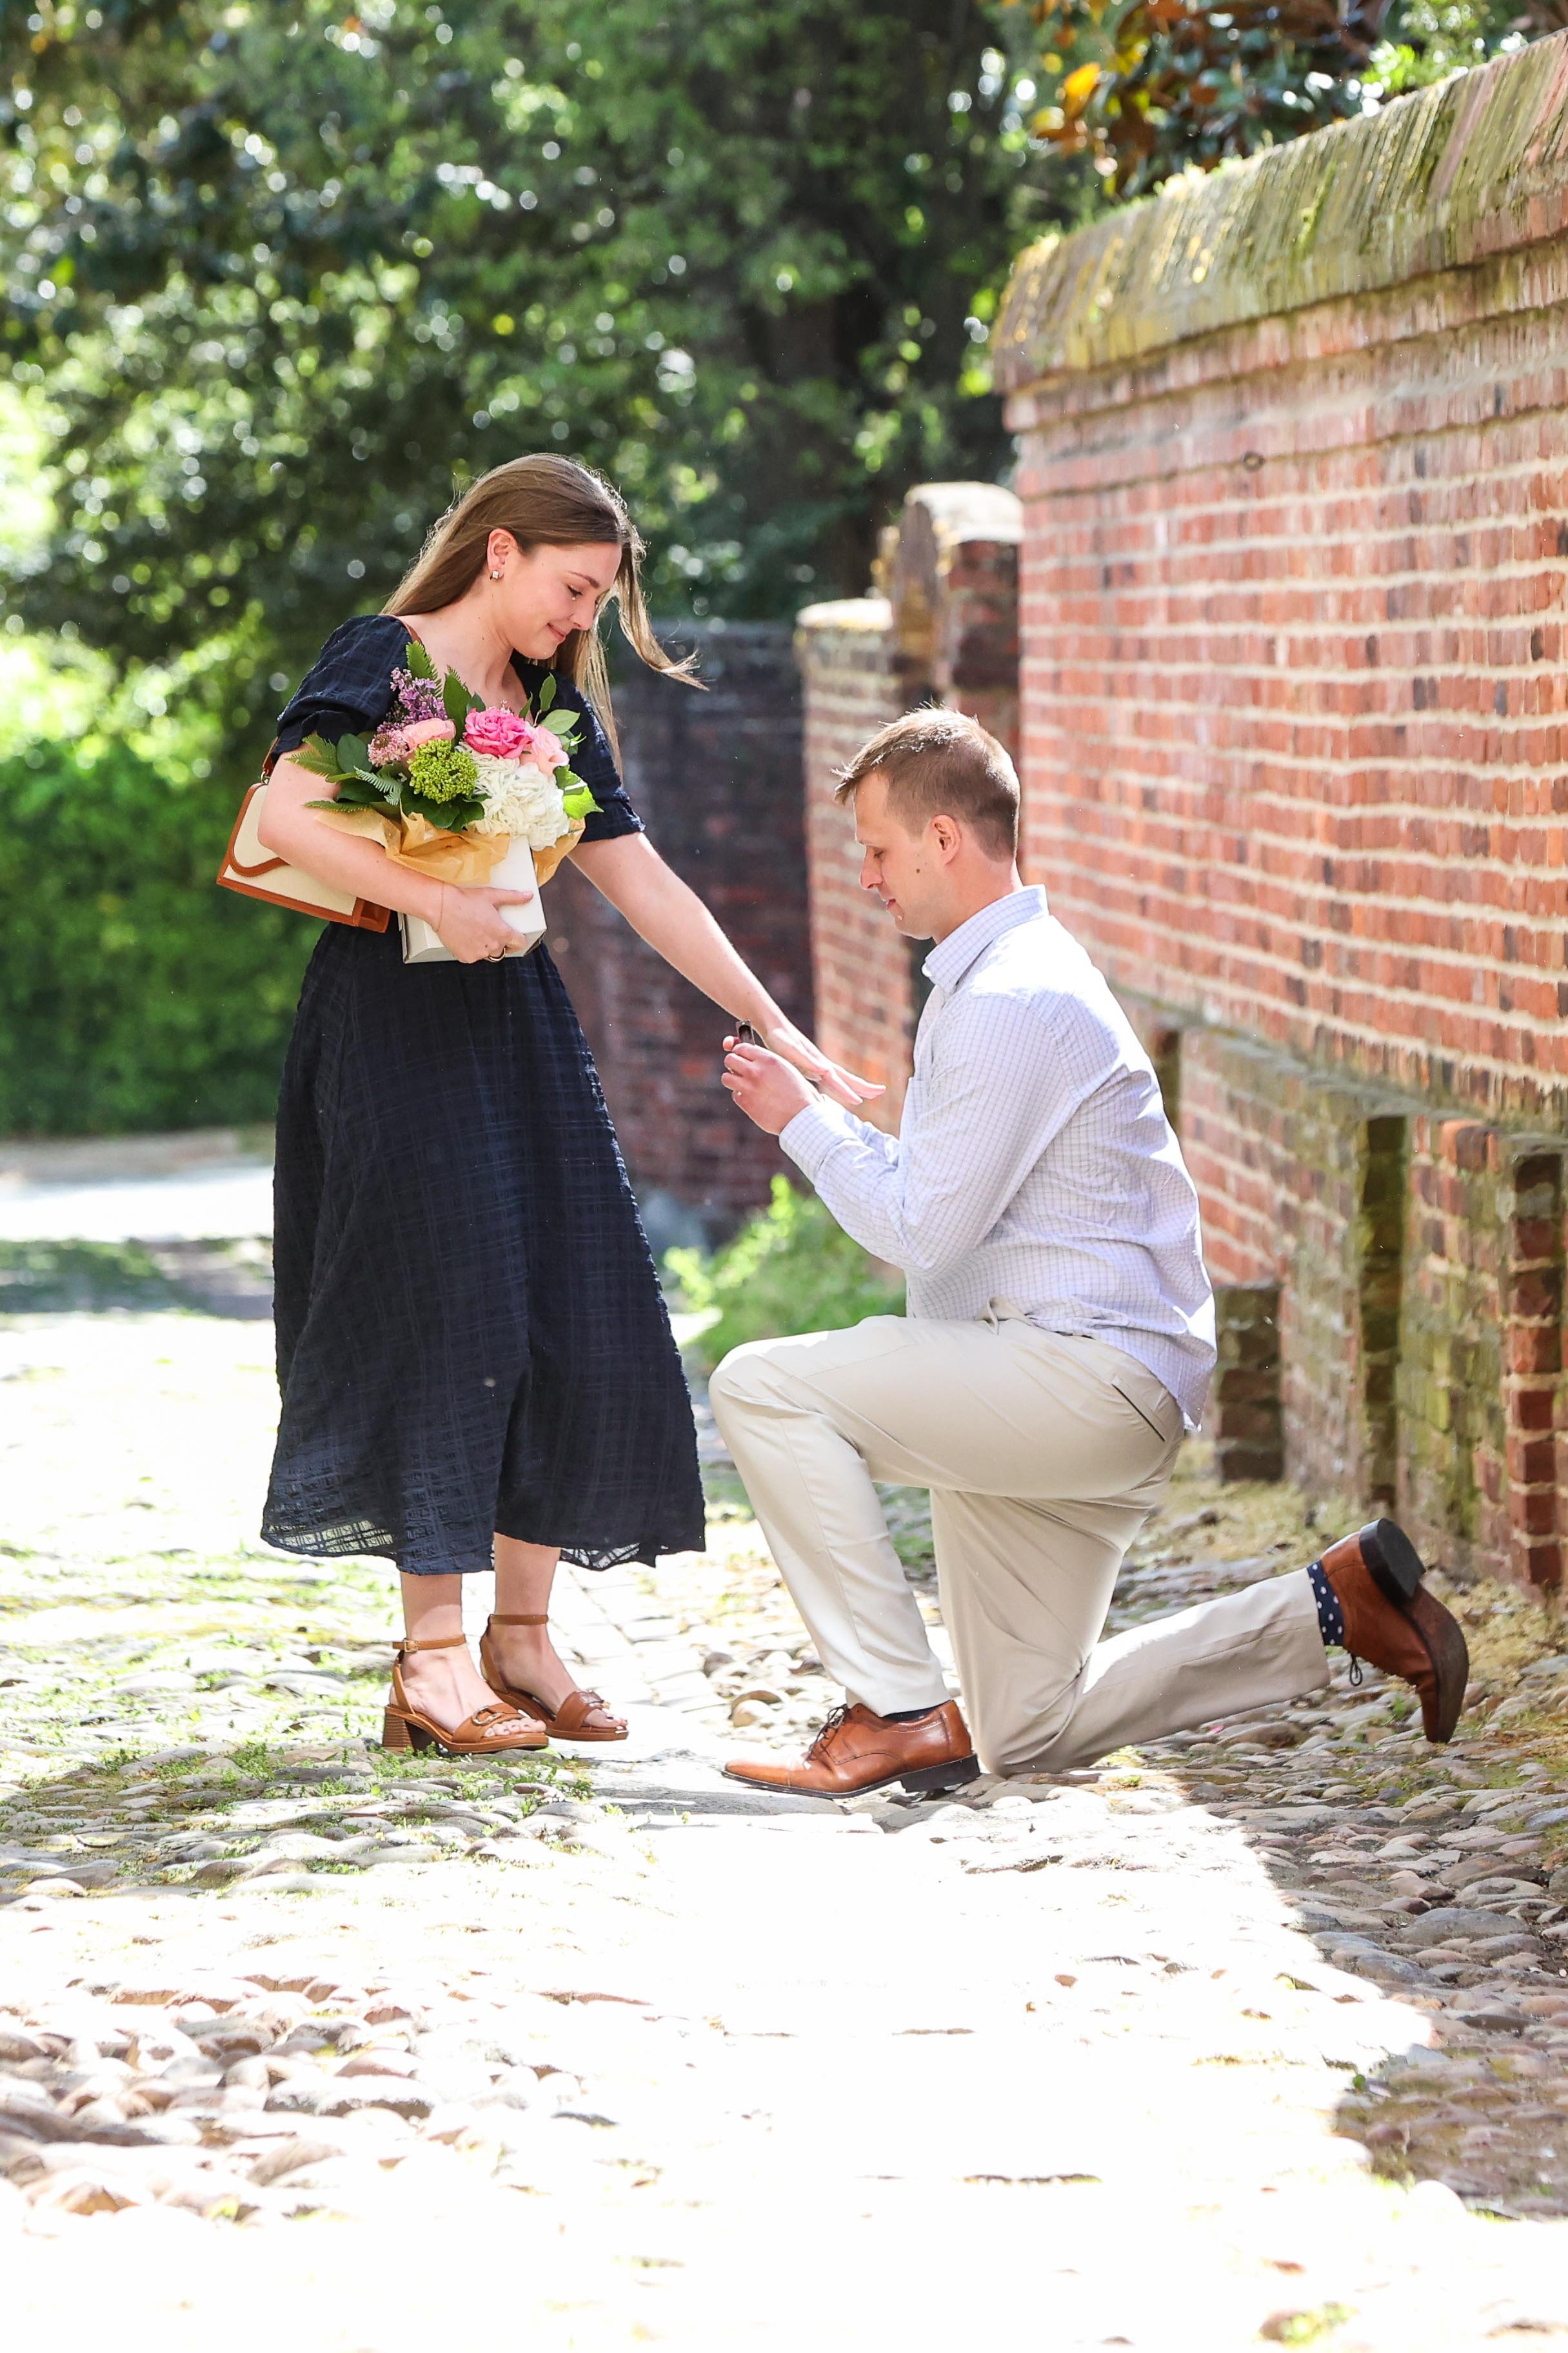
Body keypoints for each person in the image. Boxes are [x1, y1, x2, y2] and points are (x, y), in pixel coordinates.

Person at [713, 708, 1469, 1797]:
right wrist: (824, 1125)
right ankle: (1336, 1606)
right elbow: (946, 1208)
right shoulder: (998, 978)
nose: (868, 877)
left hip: (1081, 1377)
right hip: (1050, 1377)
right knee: (1022, 1732)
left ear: (942, 841)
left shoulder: (1012, 997)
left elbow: (920, 1229)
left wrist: (800, 1120)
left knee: (763, 1388)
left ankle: (895, 1707)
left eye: (878, 850)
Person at [255, 453, 877, 1758]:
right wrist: (441, 900)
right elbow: (286, 813)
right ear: (500, 552)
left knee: (573, 1296)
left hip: (511, 1021)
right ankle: (430, 1658)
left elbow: (646, 886)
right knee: (445, 1310)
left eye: (596, 599)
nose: (578, 619)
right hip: (387, 1024)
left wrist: (779, 1029)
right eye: (572, 588)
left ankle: (522, 1642)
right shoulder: (385, 657)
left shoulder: (546, 703)